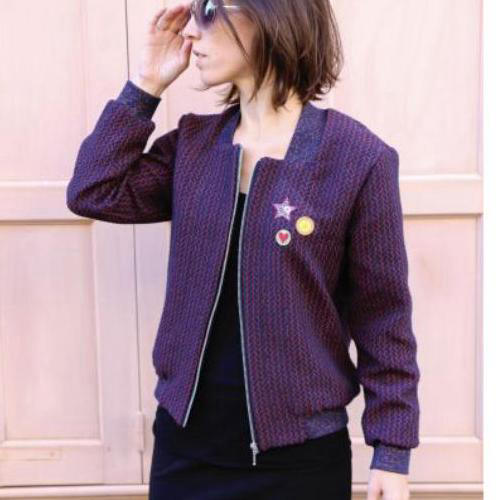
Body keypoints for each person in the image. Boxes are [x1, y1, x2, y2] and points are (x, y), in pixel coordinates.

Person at [66, 1, 420, 499]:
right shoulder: (193, 146)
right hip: (186, 453)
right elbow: (93, 190)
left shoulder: (357, 159)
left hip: (300, 462)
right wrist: (146, 84)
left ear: (274, 14)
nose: (192, 30)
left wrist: (392, 452)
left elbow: (383, 317)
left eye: (211, 9)